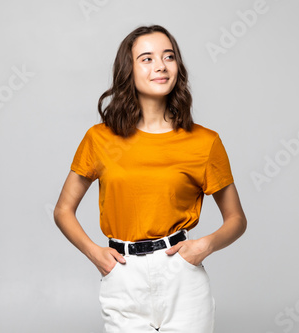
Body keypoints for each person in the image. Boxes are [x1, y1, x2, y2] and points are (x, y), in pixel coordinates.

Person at [53, 24, 247, 332]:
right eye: (147, 58)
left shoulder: (204, 142)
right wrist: (96, 255)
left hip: (182, 277)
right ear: (128, 70)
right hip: (123, 276)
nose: (160, 65)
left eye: (168, 56)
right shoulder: (99, 139)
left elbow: (236, 219)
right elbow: (63, 210)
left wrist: (205, 246)